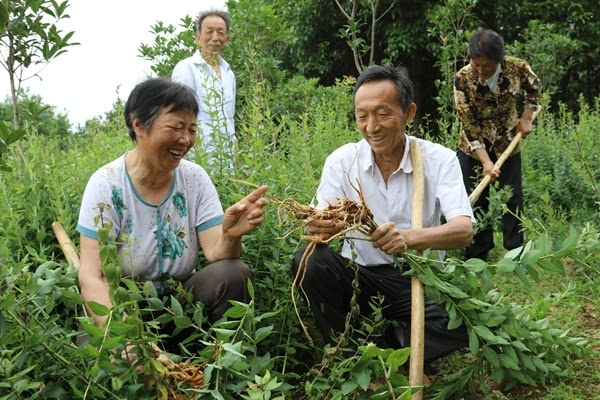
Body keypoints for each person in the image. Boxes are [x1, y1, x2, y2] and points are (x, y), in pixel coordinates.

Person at [292, 64, 475, 364]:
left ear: (409, 113)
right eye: (362, 116)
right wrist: (320, 228)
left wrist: (410, 238)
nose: (371, 126)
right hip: (361, 279)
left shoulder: (439, 160)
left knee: (470, 321)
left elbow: (463, 230)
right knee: (309, 260)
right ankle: (348, 359)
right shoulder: (342, 162)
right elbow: (318, 229)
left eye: (382, 114)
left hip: (420, 278)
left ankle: (395, 347)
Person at [77, 78, 267, 339]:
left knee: (234, 273)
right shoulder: (106, 184)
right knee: (103, 350)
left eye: (191, 129)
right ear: (138, 125)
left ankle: (218, 360)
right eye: (176, 127)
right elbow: (92, 278)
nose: (185, 140)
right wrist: (129, 341)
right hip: (124, 302)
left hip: (181, 301)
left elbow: (216, 253)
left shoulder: (195, 179)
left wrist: (231, 236)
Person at [454, 28, 541, 262]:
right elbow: (468, 123)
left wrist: (526, 117)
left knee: (511, 196)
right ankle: (478, 253)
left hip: (507, 141)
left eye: (487, 66)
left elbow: (534, 90)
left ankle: (516, 252)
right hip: (472, 148)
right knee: (476, 197)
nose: (481, 71)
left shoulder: (517, 68)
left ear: (499, 60)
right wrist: (486, 162)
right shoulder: (462, 78)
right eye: (476, 64)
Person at [171, 9, 236, 159]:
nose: (215, 38)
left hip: (227, 157)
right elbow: (180, 115)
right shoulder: (186, 68)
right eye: (209, 31)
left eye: (220, 32)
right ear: (198, 38)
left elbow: (230, 115)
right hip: (198, 155)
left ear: (227, 38)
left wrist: (234, 147)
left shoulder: (229, 74)